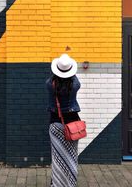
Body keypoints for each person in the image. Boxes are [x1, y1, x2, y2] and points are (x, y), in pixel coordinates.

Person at [46, 53, 81, 187]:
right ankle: (70, 183)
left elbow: (52, 79)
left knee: (57, 156)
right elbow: (74, 77)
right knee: (71, 156)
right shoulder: (75, 85)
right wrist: (69, 70)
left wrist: (57, 73)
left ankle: (57, 183)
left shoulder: (50, 84)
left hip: (55, 124)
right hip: (72, 125)